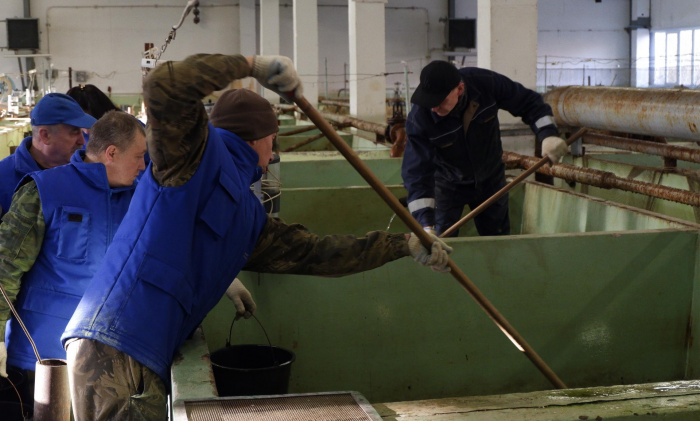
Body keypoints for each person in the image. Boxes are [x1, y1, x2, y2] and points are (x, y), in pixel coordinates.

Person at [61, 53, 452, 420]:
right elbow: (164, 83)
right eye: (273, 137)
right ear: (257, 139)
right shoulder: (193, 152)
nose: (275, 147)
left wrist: (403, 244)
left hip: (131, 347)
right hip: (116, 343)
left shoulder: (248, 215)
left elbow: (315, 253)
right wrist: (249, 64)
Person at [0, 111, 146, 385]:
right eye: (138, 157)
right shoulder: (45, 190)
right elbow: (4, 266)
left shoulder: (140, 199)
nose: (143, 166)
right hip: (42, 354)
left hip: (111, 356)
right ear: (111, 153)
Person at [402, 61, 568, 237]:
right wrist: (426, 226)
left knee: (497, 241)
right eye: (429, 101)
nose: (434, 107)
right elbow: (417, 174)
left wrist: (548, 134)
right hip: (447, 184)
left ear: (459, 89)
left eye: (440, 101)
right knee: (440, 243)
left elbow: (528, 102)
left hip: (491, 179)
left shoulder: (485, 83)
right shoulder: (420, 119)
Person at [0, 93, 96, 217]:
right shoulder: (3, 178)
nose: (82, 141)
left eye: (81, 132)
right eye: (74, 133)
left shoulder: (84, 172)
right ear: (45, 135)